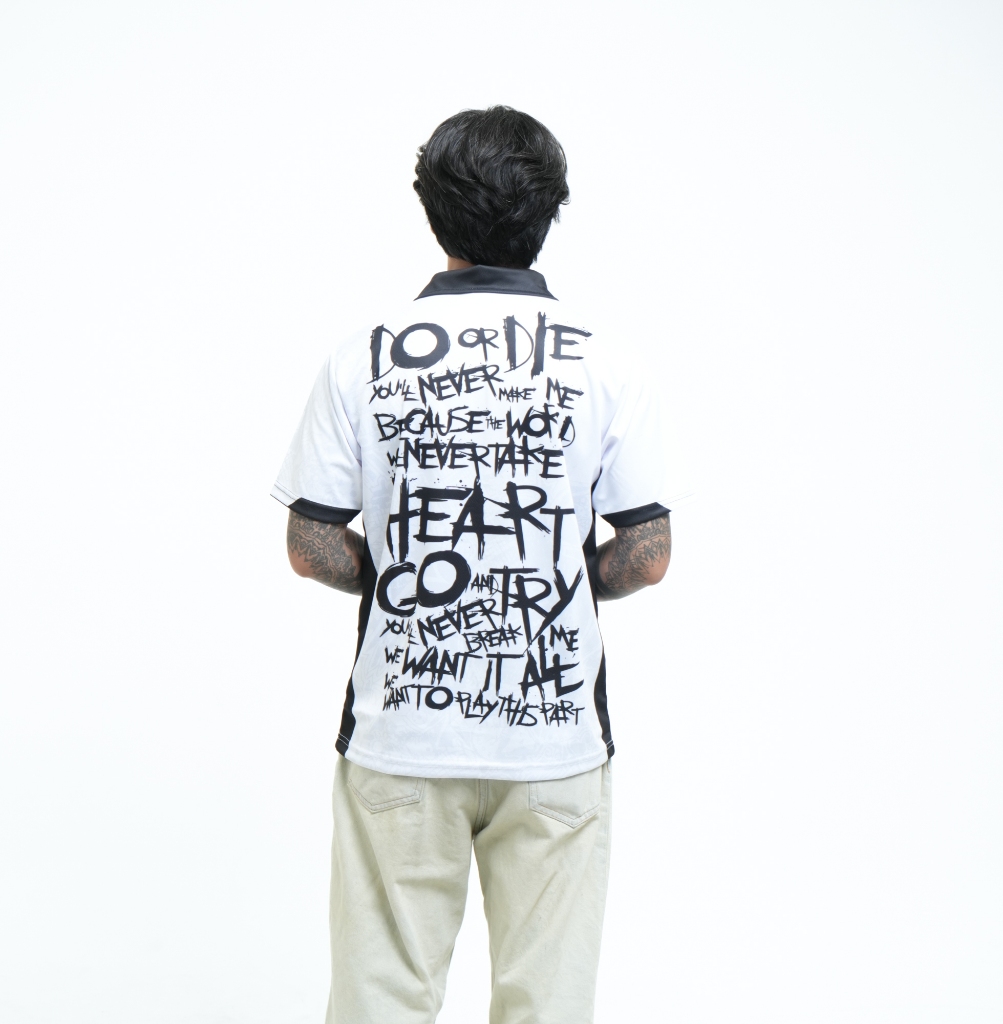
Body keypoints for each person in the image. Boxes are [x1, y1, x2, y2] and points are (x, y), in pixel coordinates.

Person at [272, 105, 672, 1024]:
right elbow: (647, 555)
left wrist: (404, 573)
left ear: (431, 210)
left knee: (381, 999)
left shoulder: (363, 358)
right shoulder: (607, 364)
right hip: (555, 735)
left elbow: (310, 543)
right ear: (551, 209)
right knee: (548, 1004)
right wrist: (552, 575)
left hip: (402, 731)